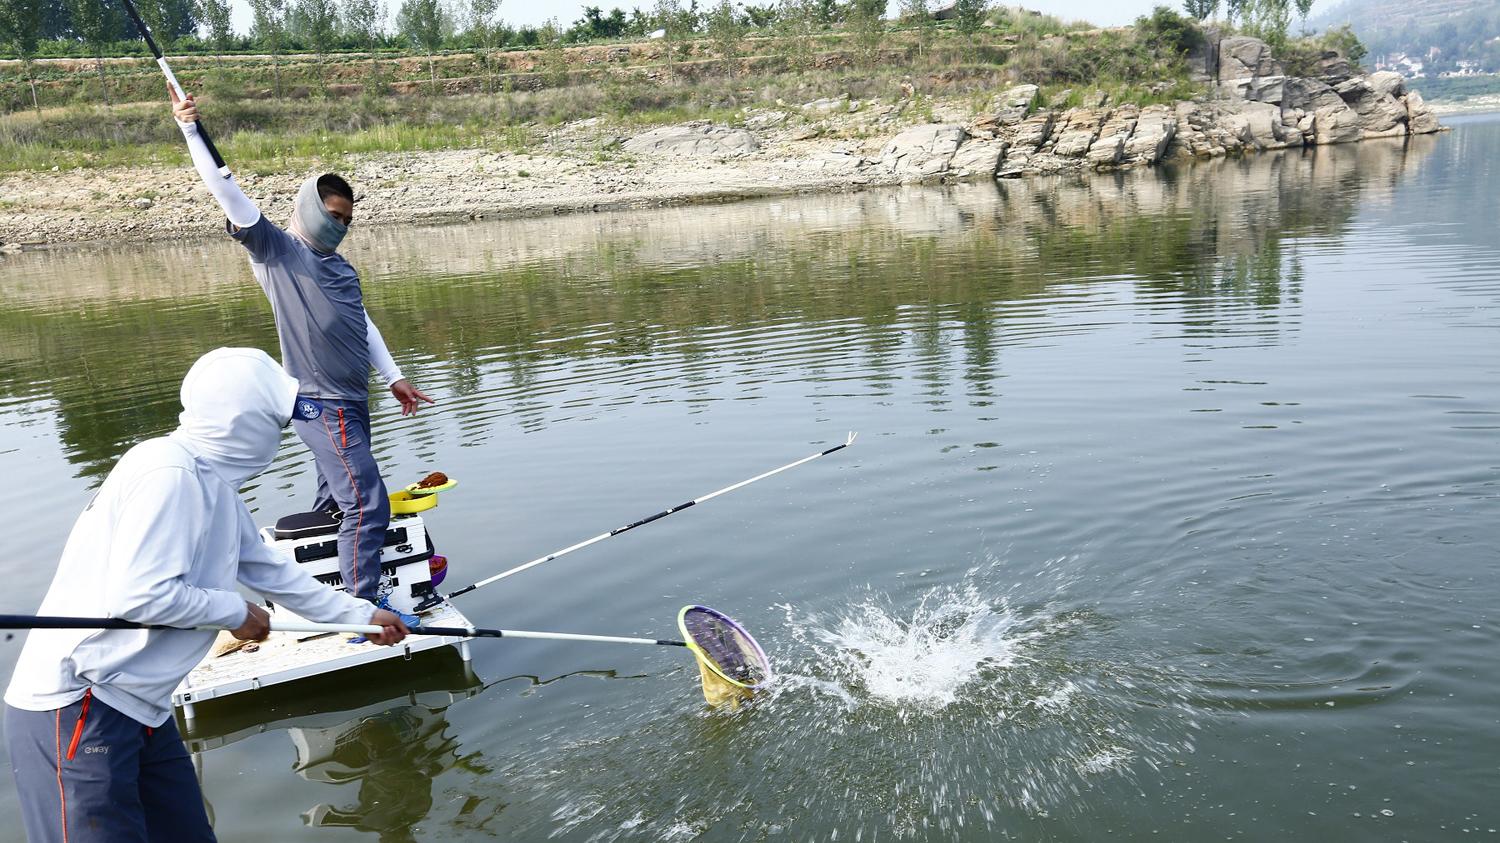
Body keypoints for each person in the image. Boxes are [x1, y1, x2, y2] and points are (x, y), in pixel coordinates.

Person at [4, 347, 412, 843]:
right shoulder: (168, 475)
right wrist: (234, 611)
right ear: (244, 422)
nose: (284, 437)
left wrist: (361, 616)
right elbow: (142, 597)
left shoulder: (212, 484)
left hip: (141, 706)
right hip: (80, 702)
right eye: (278, 424)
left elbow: (270, 570)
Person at [171, 89, 433, 616]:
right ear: (312, 209)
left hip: (353, 401)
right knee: (366, 501)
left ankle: (318, 593)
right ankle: (364, 610)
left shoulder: (339, 266)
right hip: (319, 402)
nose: (341, 225)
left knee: (337, 504)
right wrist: (192, 130)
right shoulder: (278, 251)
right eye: (334, 215)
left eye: (348, 220)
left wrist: (393, 377)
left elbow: (360, 322)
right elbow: (228, 193)